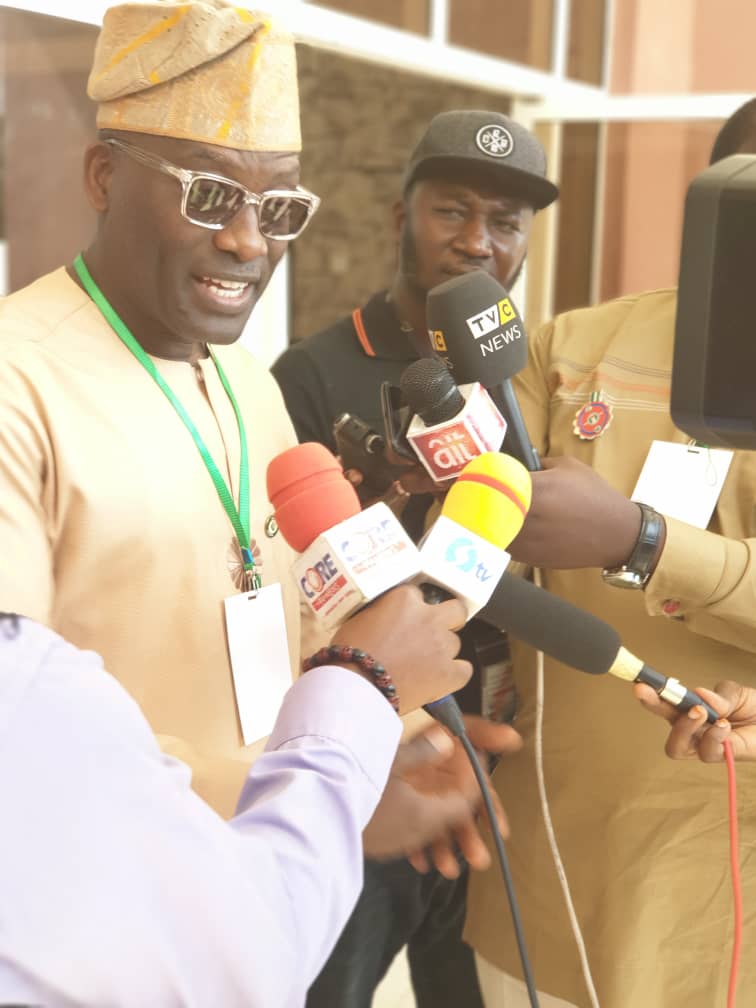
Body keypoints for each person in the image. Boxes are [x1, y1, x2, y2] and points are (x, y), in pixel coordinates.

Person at [0, 0, 513, 882]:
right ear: (101, 176)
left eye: (278, 207)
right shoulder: (19, 383)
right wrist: (311, 790)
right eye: (208, 196)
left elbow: (300, 612)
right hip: (96, 910)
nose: (247, 240)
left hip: (262, 892)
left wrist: (401, 740)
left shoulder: (244, 385)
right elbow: (21, 730)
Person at [464, 100, 756, 1007]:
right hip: (544, 865)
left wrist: (643, 538)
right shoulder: (576, 345)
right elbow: (483, 551)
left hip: (715, 894)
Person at [273, 110, 558, 1008]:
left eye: (505, 223)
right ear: (402, 215)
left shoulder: (526, 374)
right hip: (374, 765)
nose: (478, 241)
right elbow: (289, 582)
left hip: (503, 762)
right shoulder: (310, 374)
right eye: (455, 211)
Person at [0, 594, 523, 1005]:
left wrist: (405, 738)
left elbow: (304, 614)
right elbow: (240, 963)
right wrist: (352, 732)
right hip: (280, 841)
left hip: (328, 808)